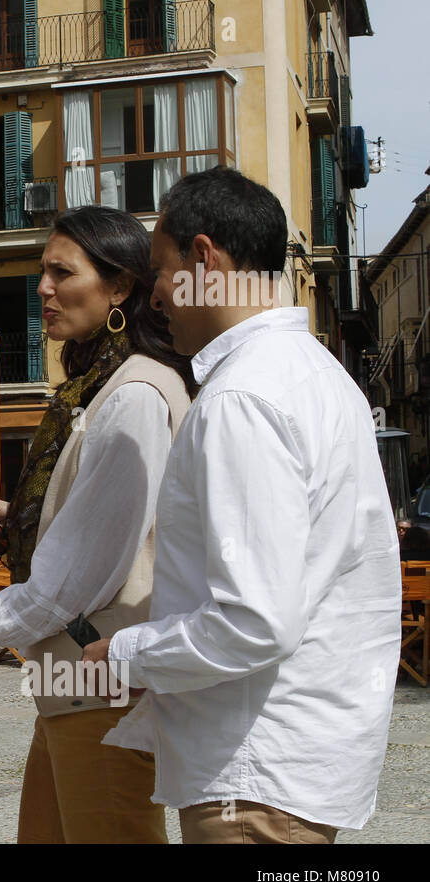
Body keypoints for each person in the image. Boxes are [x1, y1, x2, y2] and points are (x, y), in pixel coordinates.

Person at [82, 166, 401, 843]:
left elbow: (255, 620)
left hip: (255, 775)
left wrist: (128, 653)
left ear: (205, 259)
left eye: (161, 272)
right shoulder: (316, 376)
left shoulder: (242, 398)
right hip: (290, 763)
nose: (154, 299)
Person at [0, 205, 194, 843]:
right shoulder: (96, 388)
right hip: (75, 685)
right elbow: (95, 526)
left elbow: (77, 576)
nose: (44, 289)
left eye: (62, 272)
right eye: (41, 272)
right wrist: (16, 514)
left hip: (102, 687)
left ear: (120, 287)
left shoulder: (133, 395)